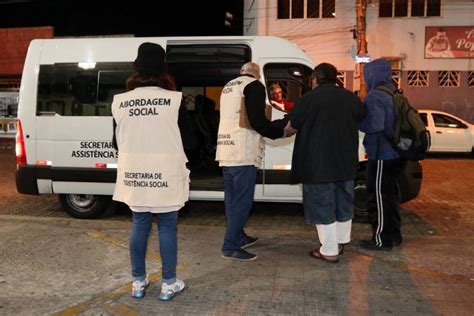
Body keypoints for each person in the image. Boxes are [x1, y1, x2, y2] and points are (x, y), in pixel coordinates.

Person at [111, 42, 190, 301]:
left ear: (137, 70)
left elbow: (115, 142)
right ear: (163, 70)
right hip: (165, 172)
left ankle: (138, 282)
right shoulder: (174, 100)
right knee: (167, 227)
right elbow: (189, 141)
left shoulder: (120, 102)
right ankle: (168, 284)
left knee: (139, 223)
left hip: (134, 172)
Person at [286, 63, 366, 263]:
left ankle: (329, 251)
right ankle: (340, 243)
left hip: (318, 164)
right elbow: (363, 118)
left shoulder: (309, 99)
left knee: (323, 205)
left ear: (315, 79)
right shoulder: (350, 98)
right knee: (343, 203)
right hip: (346, 162)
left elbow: (292, 125)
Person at [215, 62, 293, 261]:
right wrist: (282, 131)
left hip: (226, 151)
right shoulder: (254, 86)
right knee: (241, 202)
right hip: (243, 152)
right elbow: (257, 122)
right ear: (257, 75)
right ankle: (230, 245)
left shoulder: (229, 86)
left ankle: (238, 236)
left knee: (232, 201)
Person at [358, 58, 406, 251]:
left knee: (377, 197)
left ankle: (381, 239)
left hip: (381, 155)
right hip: (396, 154)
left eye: (366, 74)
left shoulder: (375, 96)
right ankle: (394, 235)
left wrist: (357, 122)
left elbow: (375, 125)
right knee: (390, 196)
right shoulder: (393, 91)